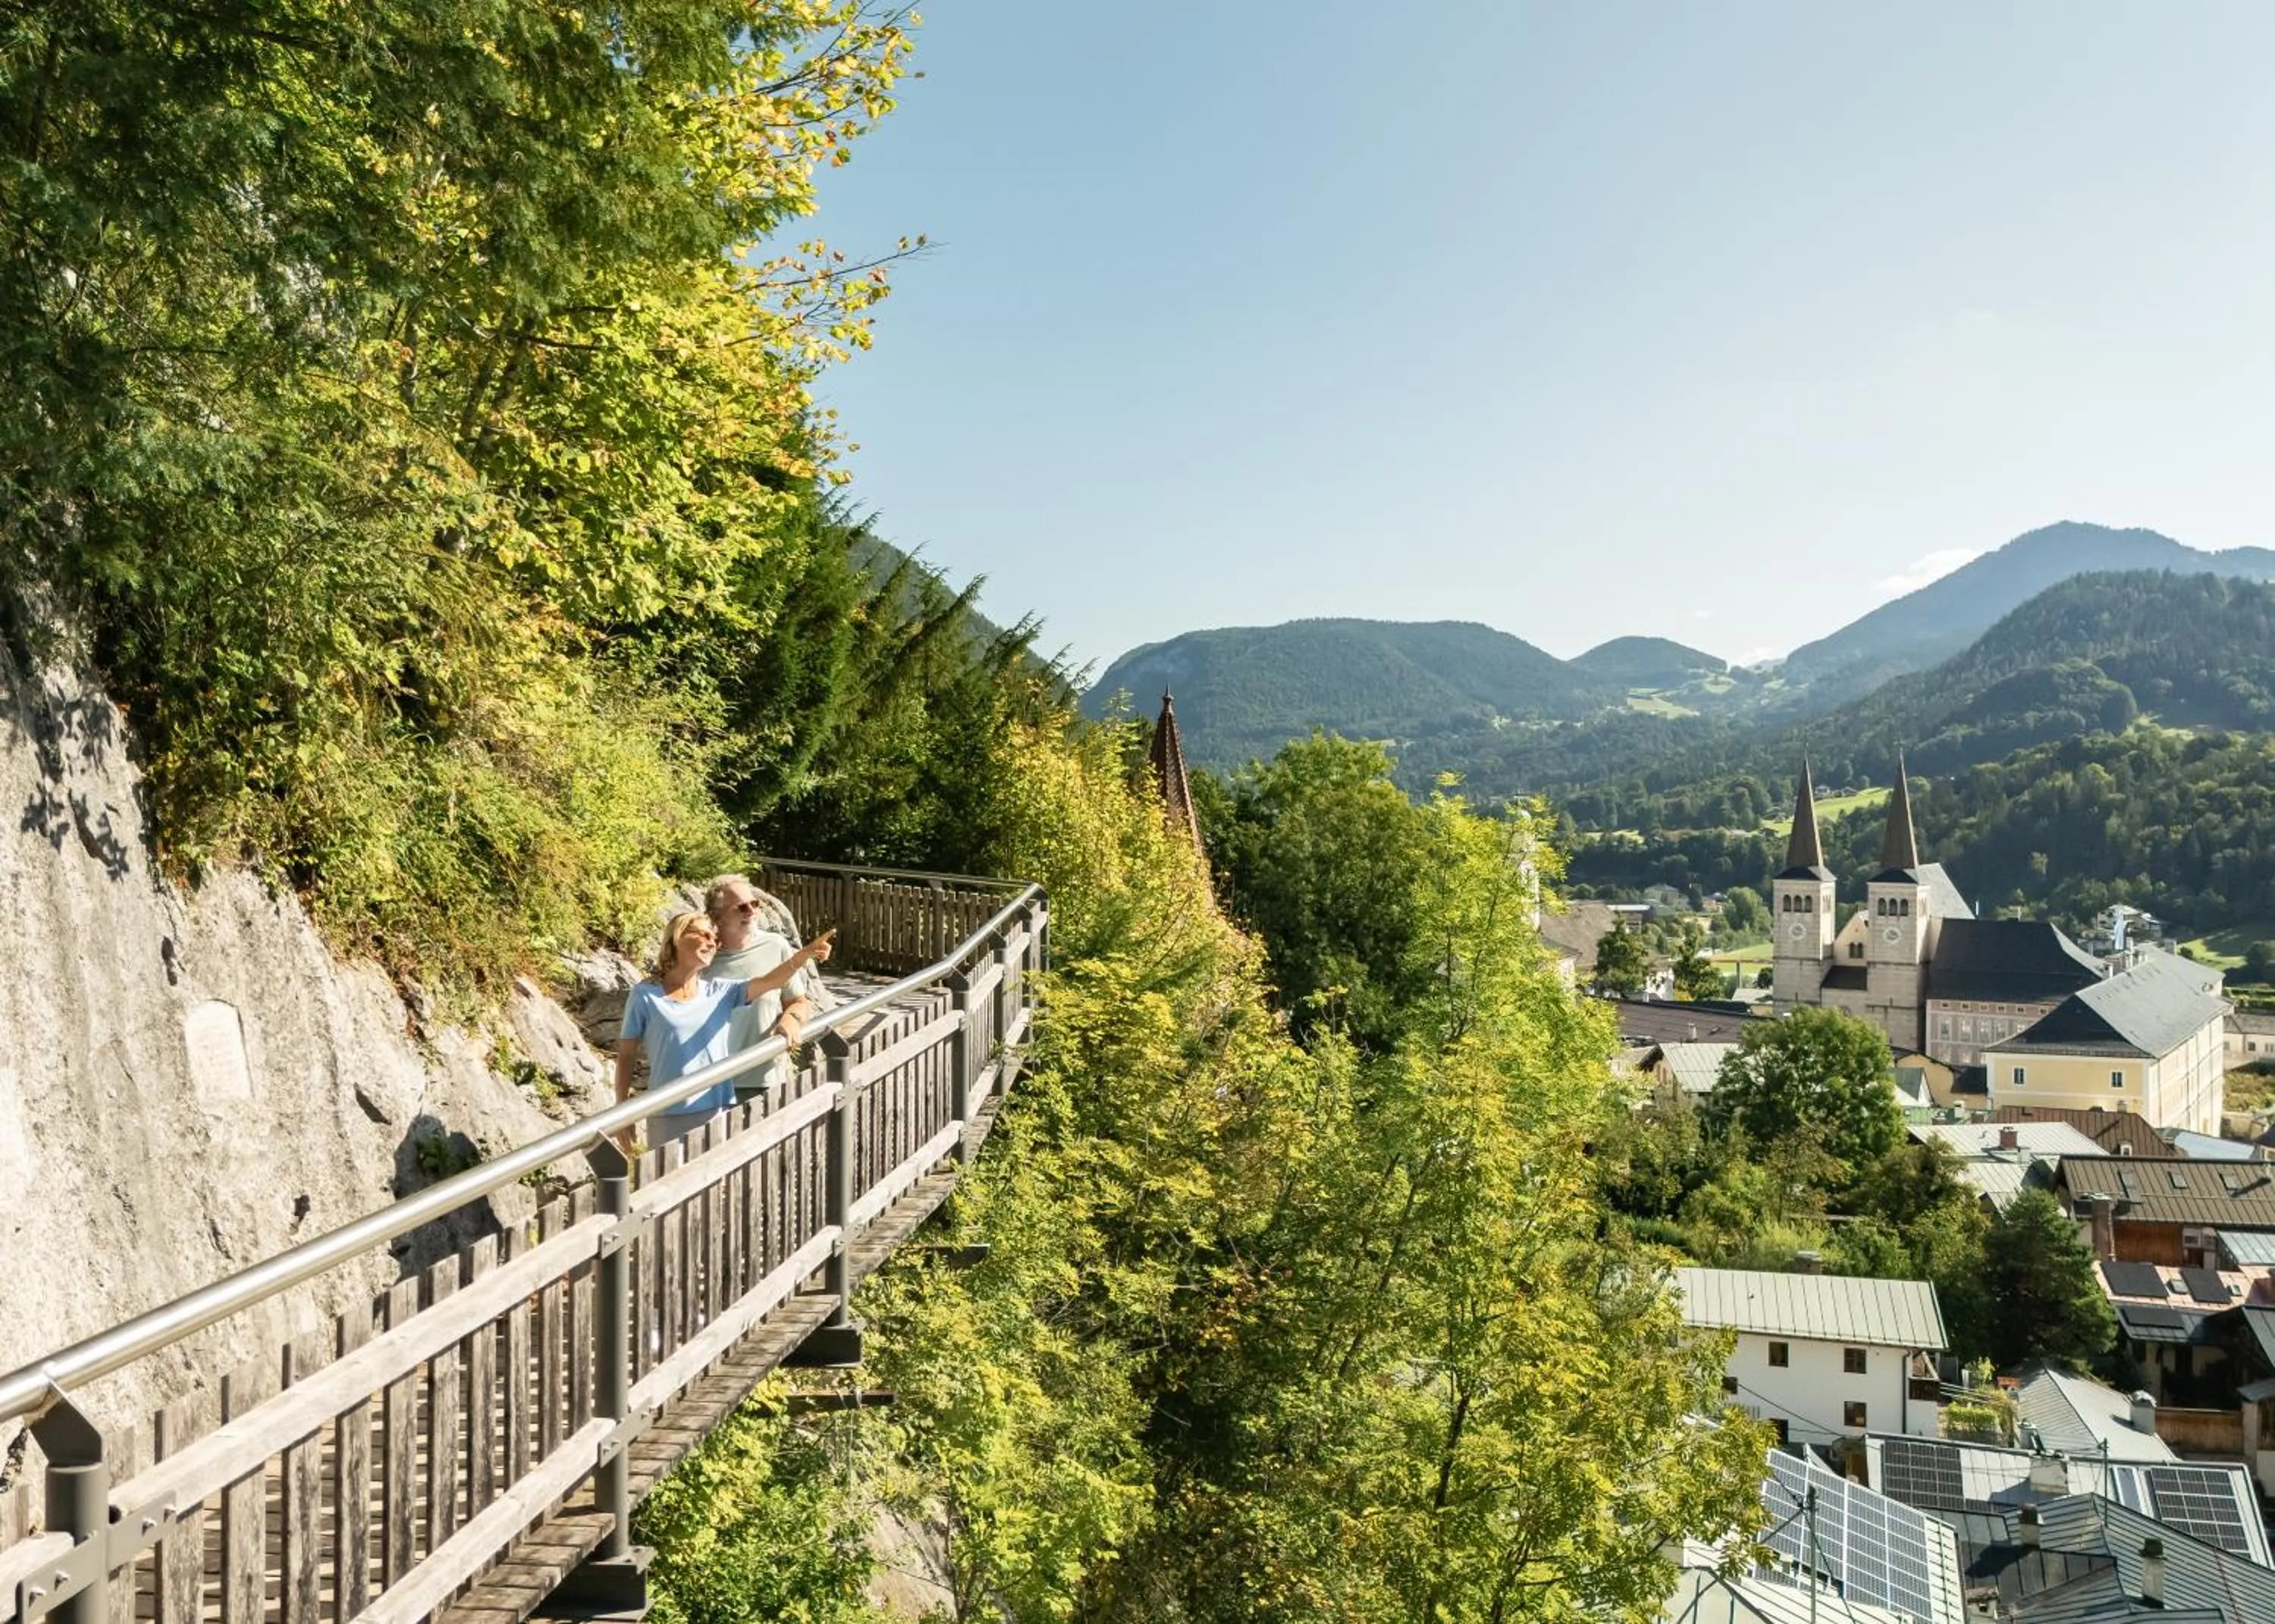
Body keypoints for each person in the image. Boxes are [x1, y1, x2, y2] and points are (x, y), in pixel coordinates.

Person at [614, 909, 835, 1152]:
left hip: (718, 1111)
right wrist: (622, 1112)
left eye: (715, 939)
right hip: (669, 1113)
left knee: (717, 1189)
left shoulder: (719, 992)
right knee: (670, 1187)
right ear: (677, 937)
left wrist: (804, 954)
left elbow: (771, 981)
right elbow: (626, 1055)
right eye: (704, 935)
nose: (712, 943)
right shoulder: (645, 995)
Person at [704, 873, 833, 1099]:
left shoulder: (775, 945)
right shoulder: (702, 954)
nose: (752, 911)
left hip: (761, 1079)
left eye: (754, 904)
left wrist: (791, 1019)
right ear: (717, 916)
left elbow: (798, 1001)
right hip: (707, 1083)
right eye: (741, 907)